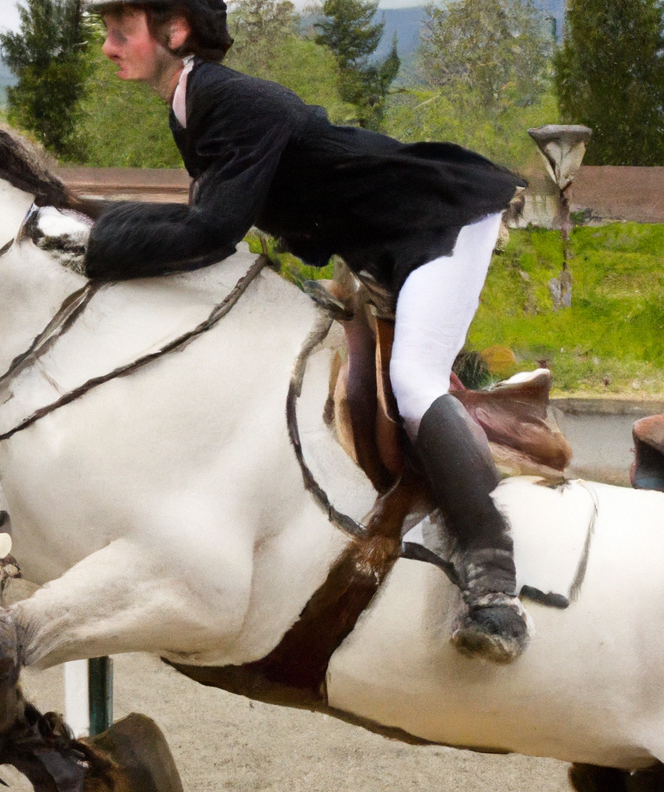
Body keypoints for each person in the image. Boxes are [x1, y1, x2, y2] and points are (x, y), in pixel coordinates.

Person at [27, 0, 529, 664]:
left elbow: (209, 233)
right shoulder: (193, 103)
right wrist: (87, 218)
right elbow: (196, 217)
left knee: (413, 381)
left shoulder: (225, 101)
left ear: (175, 32)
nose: (108, 45)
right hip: (381, 246)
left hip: (443, 224)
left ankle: (495, 583)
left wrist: (92, 244)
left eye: (123, 30)